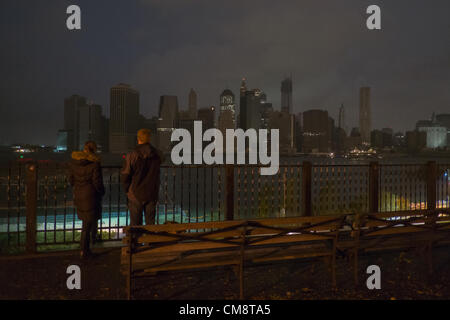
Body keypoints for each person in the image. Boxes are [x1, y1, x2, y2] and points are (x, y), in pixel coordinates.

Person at [68, 141, 105, 259]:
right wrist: (102, 191)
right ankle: (85, 250)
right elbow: (97, 182)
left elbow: (71, 180)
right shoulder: (94, 164)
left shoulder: (74, 164)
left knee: (86, 223)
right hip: (91, 196)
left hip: (79, 195)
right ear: (94, 150)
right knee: (87, 225)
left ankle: (86, 248)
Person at [121, 129, 163, 226]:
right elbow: (162, 158)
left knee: (135, 225)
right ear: (149, 139)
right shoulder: (157, 154)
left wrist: (127, 190)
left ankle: (136, 240)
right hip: (152, 192)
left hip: (135, 194)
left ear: (138, 139)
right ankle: (150, 240)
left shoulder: (132, 155)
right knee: (150, 224)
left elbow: (125, 175)